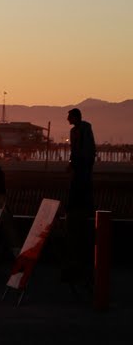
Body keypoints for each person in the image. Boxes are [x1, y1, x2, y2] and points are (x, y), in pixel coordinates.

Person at [63, 107, 96, 285]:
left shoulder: (83, 129)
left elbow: (84, 150)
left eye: (69, 117)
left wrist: (76, 164)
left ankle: (79, 206)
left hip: (82, 167)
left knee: (80, 187)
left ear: (75, 117)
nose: (67, 119)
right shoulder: (76, 130)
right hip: (79, 165)